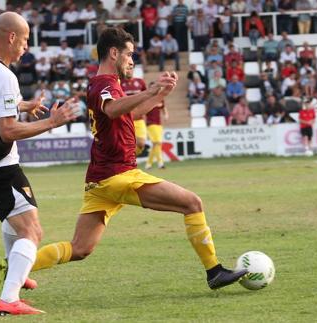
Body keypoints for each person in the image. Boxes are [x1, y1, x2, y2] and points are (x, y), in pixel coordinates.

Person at [29, 27, 248, 295]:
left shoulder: (106, 85)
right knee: (192, 203)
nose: (132, 60)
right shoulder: (105, 85)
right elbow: (112, 110)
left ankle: (16, 268)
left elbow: (128, 116)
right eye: (129, 54)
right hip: (118, 174)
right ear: (113, 53)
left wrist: (159, 96)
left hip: (100, 179)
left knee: (80, 248)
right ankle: (214, 271)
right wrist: (148, 92)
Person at [0, 12, 78, 316]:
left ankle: (15, 271)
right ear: (11, 37)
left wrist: (24, 104)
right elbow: (8, 130)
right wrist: (53, 122)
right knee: (32, 232)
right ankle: (9, 298)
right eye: (26, 39)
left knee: (15, 220)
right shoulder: (4, 75)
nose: (27, 47)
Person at [120, 70, 148, 156]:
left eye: (130, 69)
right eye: (127, 70)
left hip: (139, 117)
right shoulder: (119, 83)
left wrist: (144, 111)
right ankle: (128, 160)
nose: (129, 71)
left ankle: (130, 157)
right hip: (125, 118)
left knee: (141, 143)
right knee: (125, 144)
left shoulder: (140, 82)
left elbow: (146, 96)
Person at [145, 91, 168, 170]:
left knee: (156, 144)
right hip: (150, 124)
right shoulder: (147, 99)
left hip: (159, 124)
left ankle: (148, 164)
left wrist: (166, 114)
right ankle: (160, 163)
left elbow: (163, 107)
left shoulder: (160, 98)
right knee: (157, 142)